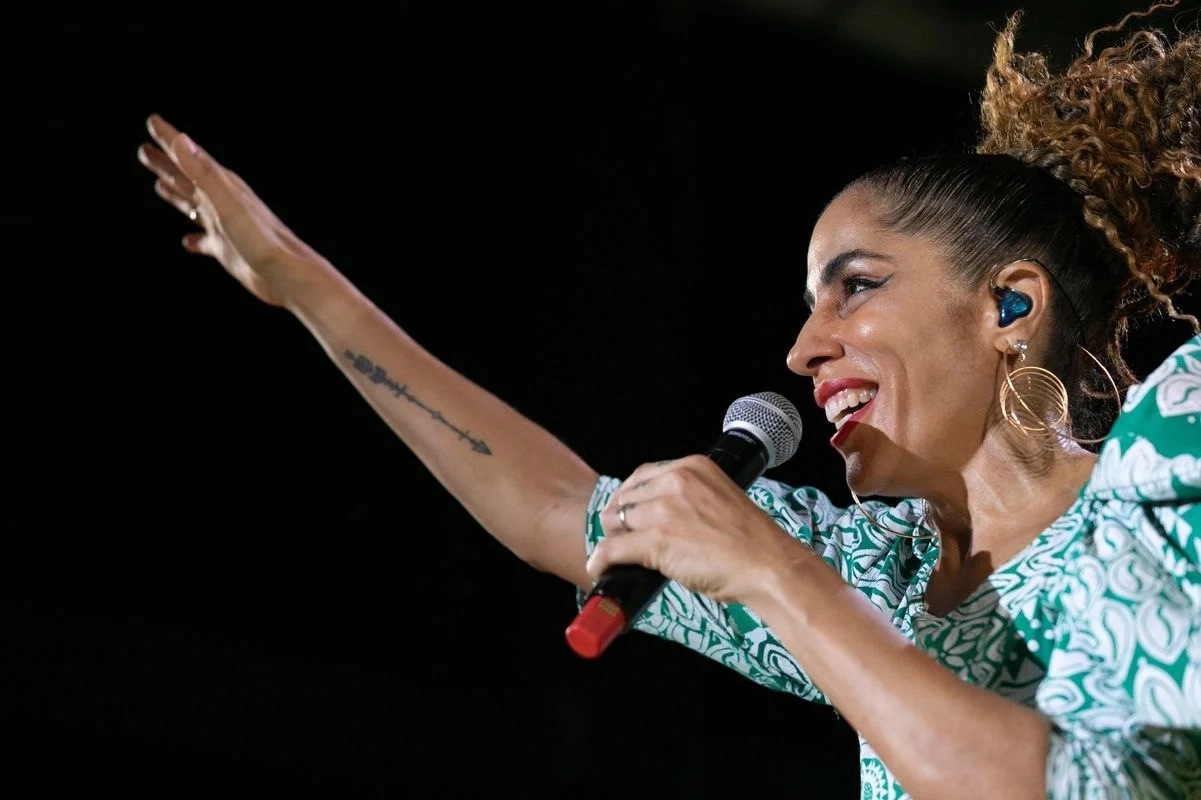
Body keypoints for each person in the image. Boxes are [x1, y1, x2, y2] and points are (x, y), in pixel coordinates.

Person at [136, 1, 1200, 797]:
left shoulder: (1164, 473)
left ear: (1009, 305)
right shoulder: (884, 577)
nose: (802, 350)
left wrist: (777, 573)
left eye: (856, 287)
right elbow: (557, 505)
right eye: (807, 306)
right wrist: (301, 284)